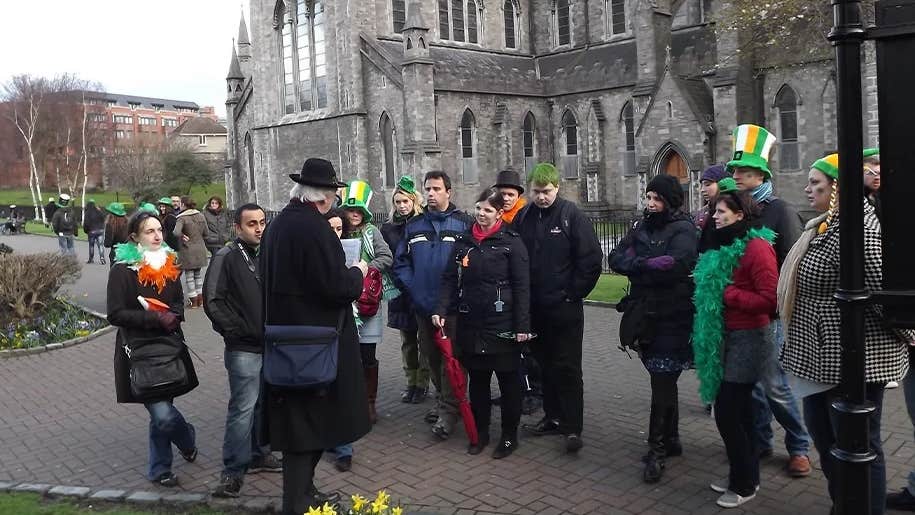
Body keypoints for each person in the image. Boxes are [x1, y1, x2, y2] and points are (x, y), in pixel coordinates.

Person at [779, 153, 912, 515]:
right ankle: (845, 502)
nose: (808, 189)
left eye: (816, 184)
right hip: (820, 359)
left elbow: (883, 295)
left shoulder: (861, 229)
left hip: (851, 359)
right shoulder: (827, 225)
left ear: (837, 188)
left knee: (859, 447)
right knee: (828, 441)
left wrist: (905, 339)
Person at [259, 158, 370, 514]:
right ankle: (296, 501)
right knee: (305, 428)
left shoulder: (279, 225)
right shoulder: (314, 228)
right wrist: (357, 272)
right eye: (334, 196)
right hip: (315, 343)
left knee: (304, 425)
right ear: (323, 198)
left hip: (288, 339)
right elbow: (335, 287)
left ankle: (304, 493)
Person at [729, 123, 811, 477]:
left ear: (760, 175)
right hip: (741, 313)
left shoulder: (781, 211)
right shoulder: (738, 209)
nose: (737, 178)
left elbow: (794, 265)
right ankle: (762, 442)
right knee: (753, 388)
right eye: (735, 172)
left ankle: (799, 446)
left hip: (771, 314)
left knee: (774, 385)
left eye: (744, 173)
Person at [691, 179, 778, 508]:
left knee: (728, 413)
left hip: (751, 339)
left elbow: (770, 299)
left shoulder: (757, 248)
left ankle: (743, 483)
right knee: (738, 413)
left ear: (740, 215)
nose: (715, 216)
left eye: (722, 211)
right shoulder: (724, 243)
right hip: (729, 337)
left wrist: (728, 294)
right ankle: (745, 475)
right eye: (715, 210)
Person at [609, 173, 697, 481]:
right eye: (648, 198)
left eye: (656, 199)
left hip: (673, 317)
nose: (650, 204)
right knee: (661, 381)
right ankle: (671, 440)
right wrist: (646, 265)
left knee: (662, 381)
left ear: (670, 201)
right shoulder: (642, 227)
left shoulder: (684, 229)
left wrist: (641, 265)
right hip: (643, 315)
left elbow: (676, 265)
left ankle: (657, 448)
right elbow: (616, 258)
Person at [434, 189, 531, 459]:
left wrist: (522, 326)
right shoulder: (464, 241)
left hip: (503, 323)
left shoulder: (512, 242)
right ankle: (481, 433)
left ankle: (509, 436)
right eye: (478, 208)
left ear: (500, 213)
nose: (481, 214)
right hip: (471, 323)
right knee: (477, 382)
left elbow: (523, 287)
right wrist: (441, 309)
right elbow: (448, 279)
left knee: (509, 383)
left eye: (488, 210)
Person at [107, 211, 199, 487]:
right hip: (139, 350)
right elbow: (115, 314)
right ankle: (187, 439)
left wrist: (174, 314)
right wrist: (154, 317)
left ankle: (160, 469)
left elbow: (179, 303)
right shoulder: (122, 270)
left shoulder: (170, 264)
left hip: (168, 347)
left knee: (163, 407)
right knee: (161, 413)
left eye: (159, 230)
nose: (158, 235)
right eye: (149, 231)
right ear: (134, 236)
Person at [516, 163, 602, 454]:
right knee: (544, 366)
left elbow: (590, 260)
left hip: (564, 310)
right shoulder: (525, 216)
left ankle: (572, 426)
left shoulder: (571, 215)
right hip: (536, 309)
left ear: (557, 189)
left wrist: (572, 294)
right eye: (537, 192)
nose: (542, 197)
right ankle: (552, 417)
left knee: (567, 367)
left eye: (547, 192)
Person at [204, 202, 282, 498]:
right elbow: (213, 300)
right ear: (238, 227)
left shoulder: (266, 255)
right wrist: (236, 330)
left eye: (262, 222)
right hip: (244, 347)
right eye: (252, 223)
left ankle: (259, 453)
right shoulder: (226, 256)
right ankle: (233, 472)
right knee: (243, 408)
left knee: (262, 403)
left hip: (269, 343)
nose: (259, 228)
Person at [393, 171, 474, 440]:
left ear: (448, 192)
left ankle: (449, 412)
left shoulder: (463, 223)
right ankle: (444, 401)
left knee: (453, 359)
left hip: (453, 306)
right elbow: (401, 262)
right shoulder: (414, 226)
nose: (430, 193)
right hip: (423, 305)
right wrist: (414, 287)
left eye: (436, 188)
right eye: (427, 189)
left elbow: (474, 261)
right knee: (431, 356)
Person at [341, 180, 393, 425]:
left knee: (367, 354)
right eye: (351, 210)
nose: (354, 214)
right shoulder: (337, 230)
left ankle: (369, 402)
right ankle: (350, 402)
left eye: (358, 210)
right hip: (343, 300)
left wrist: (365, 269)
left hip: (367, 302)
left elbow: (386, 257)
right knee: (346, 354)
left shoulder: (373, 232)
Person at [380, 176, 430, 404]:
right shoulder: (388, 228)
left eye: (405, 201)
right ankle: (410, 381)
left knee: (424, 340)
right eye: (398, 202)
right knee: (407, 340)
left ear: (414, 202)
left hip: (420, 288)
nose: (401, 206)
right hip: (399, 290)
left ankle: (422, 383)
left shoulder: (423, 223)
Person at [173, 196, 209, 308]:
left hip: (187, 249)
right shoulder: (201, 215)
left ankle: (193, 302)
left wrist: (183, 236)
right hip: (200, 248)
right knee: (198, 275)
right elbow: (206, 233)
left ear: (183, 204)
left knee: (189, 276)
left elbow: (175, 232)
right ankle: (200, 300)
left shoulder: (181, 218)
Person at [695, 164, 729, 253]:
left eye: (707, 184)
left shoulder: (734, 210)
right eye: (702, 185)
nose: (702, 190)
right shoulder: (700, 213)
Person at [204, 196, 233, 261]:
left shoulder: (224, 213)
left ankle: (214, 270)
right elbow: (204, 227)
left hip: (223, 240)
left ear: (219, 204)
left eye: (216, 203)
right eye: (212, 203)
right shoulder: (205, 214)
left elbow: (228, 225)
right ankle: (212, 271)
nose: (214, 205)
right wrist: (208, 237)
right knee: (216, 257)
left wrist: (226, 236)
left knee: (221, 259)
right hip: (212, 241)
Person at [104, 202, 129, 267]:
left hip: (116, 254)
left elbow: (107, 244)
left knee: (115, 275)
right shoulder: (128, 224)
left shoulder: (110, 225)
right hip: (128, 253)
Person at [83, 199, 106, 264]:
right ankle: (102, 258)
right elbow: (103, 218)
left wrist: (86, 230)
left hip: (92, 231)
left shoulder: (87, 213)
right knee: (100, 245)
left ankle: (91, 259)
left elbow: (86, 223)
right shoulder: (99, 211)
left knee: (91, 245)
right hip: (100, 230)